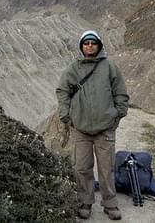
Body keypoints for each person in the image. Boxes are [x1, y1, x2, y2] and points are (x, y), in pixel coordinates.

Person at [55, 30, 129, 220]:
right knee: (82, 167)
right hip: (81, 129)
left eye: (93, 43)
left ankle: (110, 204)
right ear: (81, 46)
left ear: (99, 45)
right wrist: (66, 115)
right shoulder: (74, 68)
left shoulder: (109, 66)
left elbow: (120, 92)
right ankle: (85, 202)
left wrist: (118, 115)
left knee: (106, 168)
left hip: (105, 128)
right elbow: (62, 90)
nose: (89, 46)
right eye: (86, 43)